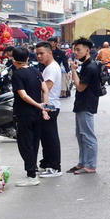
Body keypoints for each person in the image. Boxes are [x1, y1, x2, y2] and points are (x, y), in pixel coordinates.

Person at [9, 46, 48, 186]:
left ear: (14, 59)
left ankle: (31, 175)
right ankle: (33, 170)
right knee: (34, 142)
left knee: (25, 144)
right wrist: (44, 107)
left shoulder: (17, 75)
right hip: (37, 114)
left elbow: (23, 96)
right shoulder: (36, 71)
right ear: (27, 58)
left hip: (24, 113)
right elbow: (45, 89)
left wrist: (39, 106)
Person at [69, 38, 102, 175]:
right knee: (81, 135)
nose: (76, 52)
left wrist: (73, 71)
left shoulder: (91, 67)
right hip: (82, 103)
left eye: (78, 50)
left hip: (86, 104)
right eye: (75, 50)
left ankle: (91, 165)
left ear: (87, 50)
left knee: (88, 136)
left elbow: (80, 87)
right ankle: (82, 162)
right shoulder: (86, 64)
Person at [34, 41, 64, 178]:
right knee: (46, 138)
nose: (39, 56)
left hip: (50, 105)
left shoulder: (52, 68)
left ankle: (54, 167)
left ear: (50, 53)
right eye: (37, 54)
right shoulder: (48, 67)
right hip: (49, 105)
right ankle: (48, 164)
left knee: (50, 137)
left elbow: (47, 88)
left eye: (41, 53)